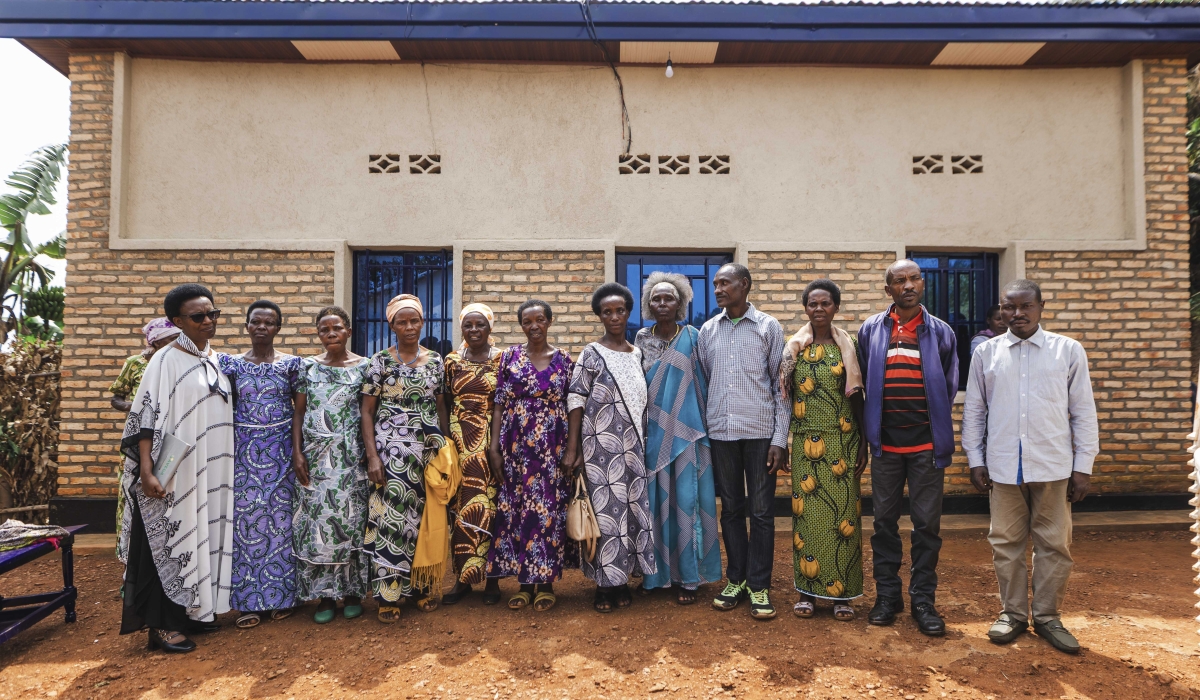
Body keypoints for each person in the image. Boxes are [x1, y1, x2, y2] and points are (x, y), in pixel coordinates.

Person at [963, 279, 1098, 654]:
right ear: (1001, 311)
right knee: (1005, 543)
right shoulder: (986, 354)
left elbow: (1082, 412)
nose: (1017, 314)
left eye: (1025, 306)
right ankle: (1013, 614)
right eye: (1009, 307)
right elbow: (974, 411)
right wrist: (975, 458)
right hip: (1004, 467)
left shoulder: (1067, 351)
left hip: (1054, 465)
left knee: (1054, 544)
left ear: (1040, 308)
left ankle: (1048, 616)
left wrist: (1083, 466)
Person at [117, 284, 234, 654]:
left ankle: (190, 613)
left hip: (209, 473)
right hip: (173, 474)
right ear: (177, 321)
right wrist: (148, 472)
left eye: (213, 314)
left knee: (199, 535)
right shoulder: (164, 360)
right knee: (165, 542)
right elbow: (144, 419)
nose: (208, 321)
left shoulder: (214, 359)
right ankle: (161, 626)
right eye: (199, 316)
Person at [857, 259, 959, 636]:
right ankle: (887, 597)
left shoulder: (941, 332)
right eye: (899, 281)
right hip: (885, 448)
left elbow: (948, 386)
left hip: (927, 449)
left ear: (923, 283)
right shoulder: (871, 329)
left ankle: (922, 601)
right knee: (883, 524)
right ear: (889, 291)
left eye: (914, 278)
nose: (908, 285)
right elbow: (867, 379)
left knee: (926, 527)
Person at [696, 263, 789, 620]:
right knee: (732, 509)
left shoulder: (768, 327)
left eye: (725, 282)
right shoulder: (708, 330)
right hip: (722, 433)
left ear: (745, 285)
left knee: (762, 512)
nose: (718, 288)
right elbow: (707, 381)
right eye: (716, 284)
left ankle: (760, 584)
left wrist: (780, 438)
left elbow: (781, 388)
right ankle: (736, 578)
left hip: (761, 434)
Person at [361, 294, 456, 623]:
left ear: (422, 322)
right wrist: (372, 456)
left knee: (427, 521)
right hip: (390, 454)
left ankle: (422, 587)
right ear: (392, 326)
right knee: (392, 520)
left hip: (427, 451)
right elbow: (366, 411)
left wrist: (446, 449)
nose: (409, 326)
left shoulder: (435, 361)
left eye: (414, 320)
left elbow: (442, 405)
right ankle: (389, 594)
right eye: (402, 321)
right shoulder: (379, 362)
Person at [565, 283, 656, 613]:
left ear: (629, 312)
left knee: (630, 514)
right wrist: (572, 448)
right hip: (599, 448)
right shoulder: (591, 352)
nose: (614, 317)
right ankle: (605, 586)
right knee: (606, 516)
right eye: (607, 312)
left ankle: (623, 579)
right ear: (599, 316)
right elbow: (575, 398)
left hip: (633, 447)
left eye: (620, 311)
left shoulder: (637, 354)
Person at [780, 279, 867, 621]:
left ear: (836, 308)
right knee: (807, 521)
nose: (819, 309)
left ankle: (842, 595)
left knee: (843, 518)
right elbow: (784, 401)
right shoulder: (794, 349)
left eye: (825, 304)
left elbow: (858, 395)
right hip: (804, 443)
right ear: (805, 309)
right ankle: (807, 594)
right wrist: (782, 442)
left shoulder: (849, 345)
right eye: (812, 304)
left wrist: (863, 441)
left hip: (842, 444)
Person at [633, 272, 721, 605]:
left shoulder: (695, 337)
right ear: (648, 304)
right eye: (656, 298)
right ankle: (656, 576)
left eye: (669, 298)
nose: (662, 303)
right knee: (654, 504)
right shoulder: (641, 339)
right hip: (653, 435)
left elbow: (706, 382)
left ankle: (688, 577)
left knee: (686, 502)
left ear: (680, 303)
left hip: (688, 435)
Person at [486, 299, 574, 612]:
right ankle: (523, 583)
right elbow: (499, 403)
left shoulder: (564, 360)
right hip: (515, 448)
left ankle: (546, 582)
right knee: (517, 509)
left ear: (549, 322)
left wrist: (572, 449)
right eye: (527, 321)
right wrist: (494, 447)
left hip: (551, 449)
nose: (534, 326)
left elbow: (573, 406)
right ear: (521, 325)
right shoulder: (509, 356)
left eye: (540, 320)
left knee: (548, 511)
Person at [219, 300, 302, 629]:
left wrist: (297, 452)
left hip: (280, 452)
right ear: (247, 326)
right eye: (256, 322)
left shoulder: (291, 365)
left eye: (269, 323)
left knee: (281, 524)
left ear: (278, 328)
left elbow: (299, 411)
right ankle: (248, 601)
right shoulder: (231, 365)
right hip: (244, 454)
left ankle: (283, 597)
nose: (262, 327)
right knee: (247, 524)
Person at [291, 306, 371, 624]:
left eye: (337, 328)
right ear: (319, 334)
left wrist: (370, 451)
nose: (331, 334)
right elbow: (298, 413)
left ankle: (351, 593)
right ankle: (325, 595)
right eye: (324, 330)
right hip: (316, 460)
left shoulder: (364, 367)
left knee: (352, 521)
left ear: (348, 331)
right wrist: (297, 453)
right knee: (321, 524)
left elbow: (369, 412)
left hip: (351, 458)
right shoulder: (307, 369)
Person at [441, 303, 504, 606]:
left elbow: (504, 404)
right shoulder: (452, 361)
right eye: (468, 325)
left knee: (490, 507)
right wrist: (445, 440)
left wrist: (497, 446)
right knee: (459, 510)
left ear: (490, 328)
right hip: (459, 443)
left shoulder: (502, 360)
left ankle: (491, 580)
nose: (474, 330)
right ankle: (462, 579)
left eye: (480, 325)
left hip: (491, 443)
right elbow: (444, 400)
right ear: (462, 329)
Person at [111, 318, 180, 555]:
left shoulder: (179, 363)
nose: (176, 343)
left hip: (170, 438)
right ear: (156, 341)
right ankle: (129, 557)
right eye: (171, 339)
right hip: (139, 436)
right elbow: (116, 397)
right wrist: (135, 406)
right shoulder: (135, 364)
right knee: (131, 492)